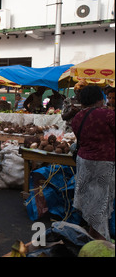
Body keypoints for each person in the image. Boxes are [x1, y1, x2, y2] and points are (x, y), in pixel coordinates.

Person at [71, 85, 115, 241]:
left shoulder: (77, 117)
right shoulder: (108, 114)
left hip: (84, 162)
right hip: (104, 164)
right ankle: (99, 240)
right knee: (101, 203)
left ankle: (94, 235)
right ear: (100, 98)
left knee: (92, 202)